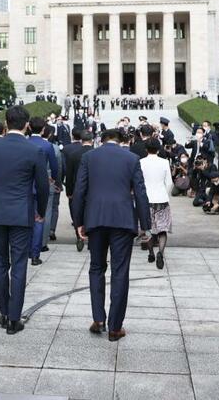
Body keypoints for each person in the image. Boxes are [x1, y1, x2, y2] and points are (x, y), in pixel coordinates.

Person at [73, 128, 150, 341]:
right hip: (123, 220)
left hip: (96, 219)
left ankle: (98, 319)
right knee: (120, 271)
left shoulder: (89, 157)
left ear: (101, 140)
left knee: (96, 268)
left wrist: (78, 222)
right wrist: (146, 225)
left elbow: (79, 191)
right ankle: (115, 327)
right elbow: (141, 193)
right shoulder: (132, 158)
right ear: (121, 141)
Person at [0, 106, 48, 334]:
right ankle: (14, 318)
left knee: (0, 264)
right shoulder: (32, 149)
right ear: (26, 124)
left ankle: (4, 313)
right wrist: (41, 210)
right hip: (21, 213)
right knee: (18, 265)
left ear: (7, 123)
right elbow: (43, 186)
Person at [27, 117, 60, 265]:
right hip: (41, 185)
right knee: (39, 218)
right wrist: (54, 180)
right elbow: (54, 167)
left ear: (29, 128)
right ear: (43, 130)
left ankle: (27, 249)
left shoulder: (25, 142)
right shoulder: (47, 146)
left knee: (26, 219)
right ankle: (35, 253)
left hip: (24, 185)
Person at [140, 138, 173, 269]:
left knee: (148, 228)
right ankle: (160, 252)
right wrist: (165, 193)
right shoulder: (164, 162)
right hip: (161, 198)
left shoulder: (141, 162)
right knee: (162, 228)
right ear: (159, 149)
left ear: (146, 149)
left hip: (146, 199)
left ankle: (150, 253)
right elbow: (169, 182)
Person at [62, 129, 94, 251]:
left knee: (77, 211)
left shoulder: (73, 154)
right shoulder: (95, 153)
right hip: (92, 189)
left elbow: (69, 175)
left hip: (77, 187)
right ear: (92, 140)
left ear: (81, 140)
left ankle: (79, 235)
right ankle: (91, 237)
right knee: (90, 211)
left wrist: (69, 191)